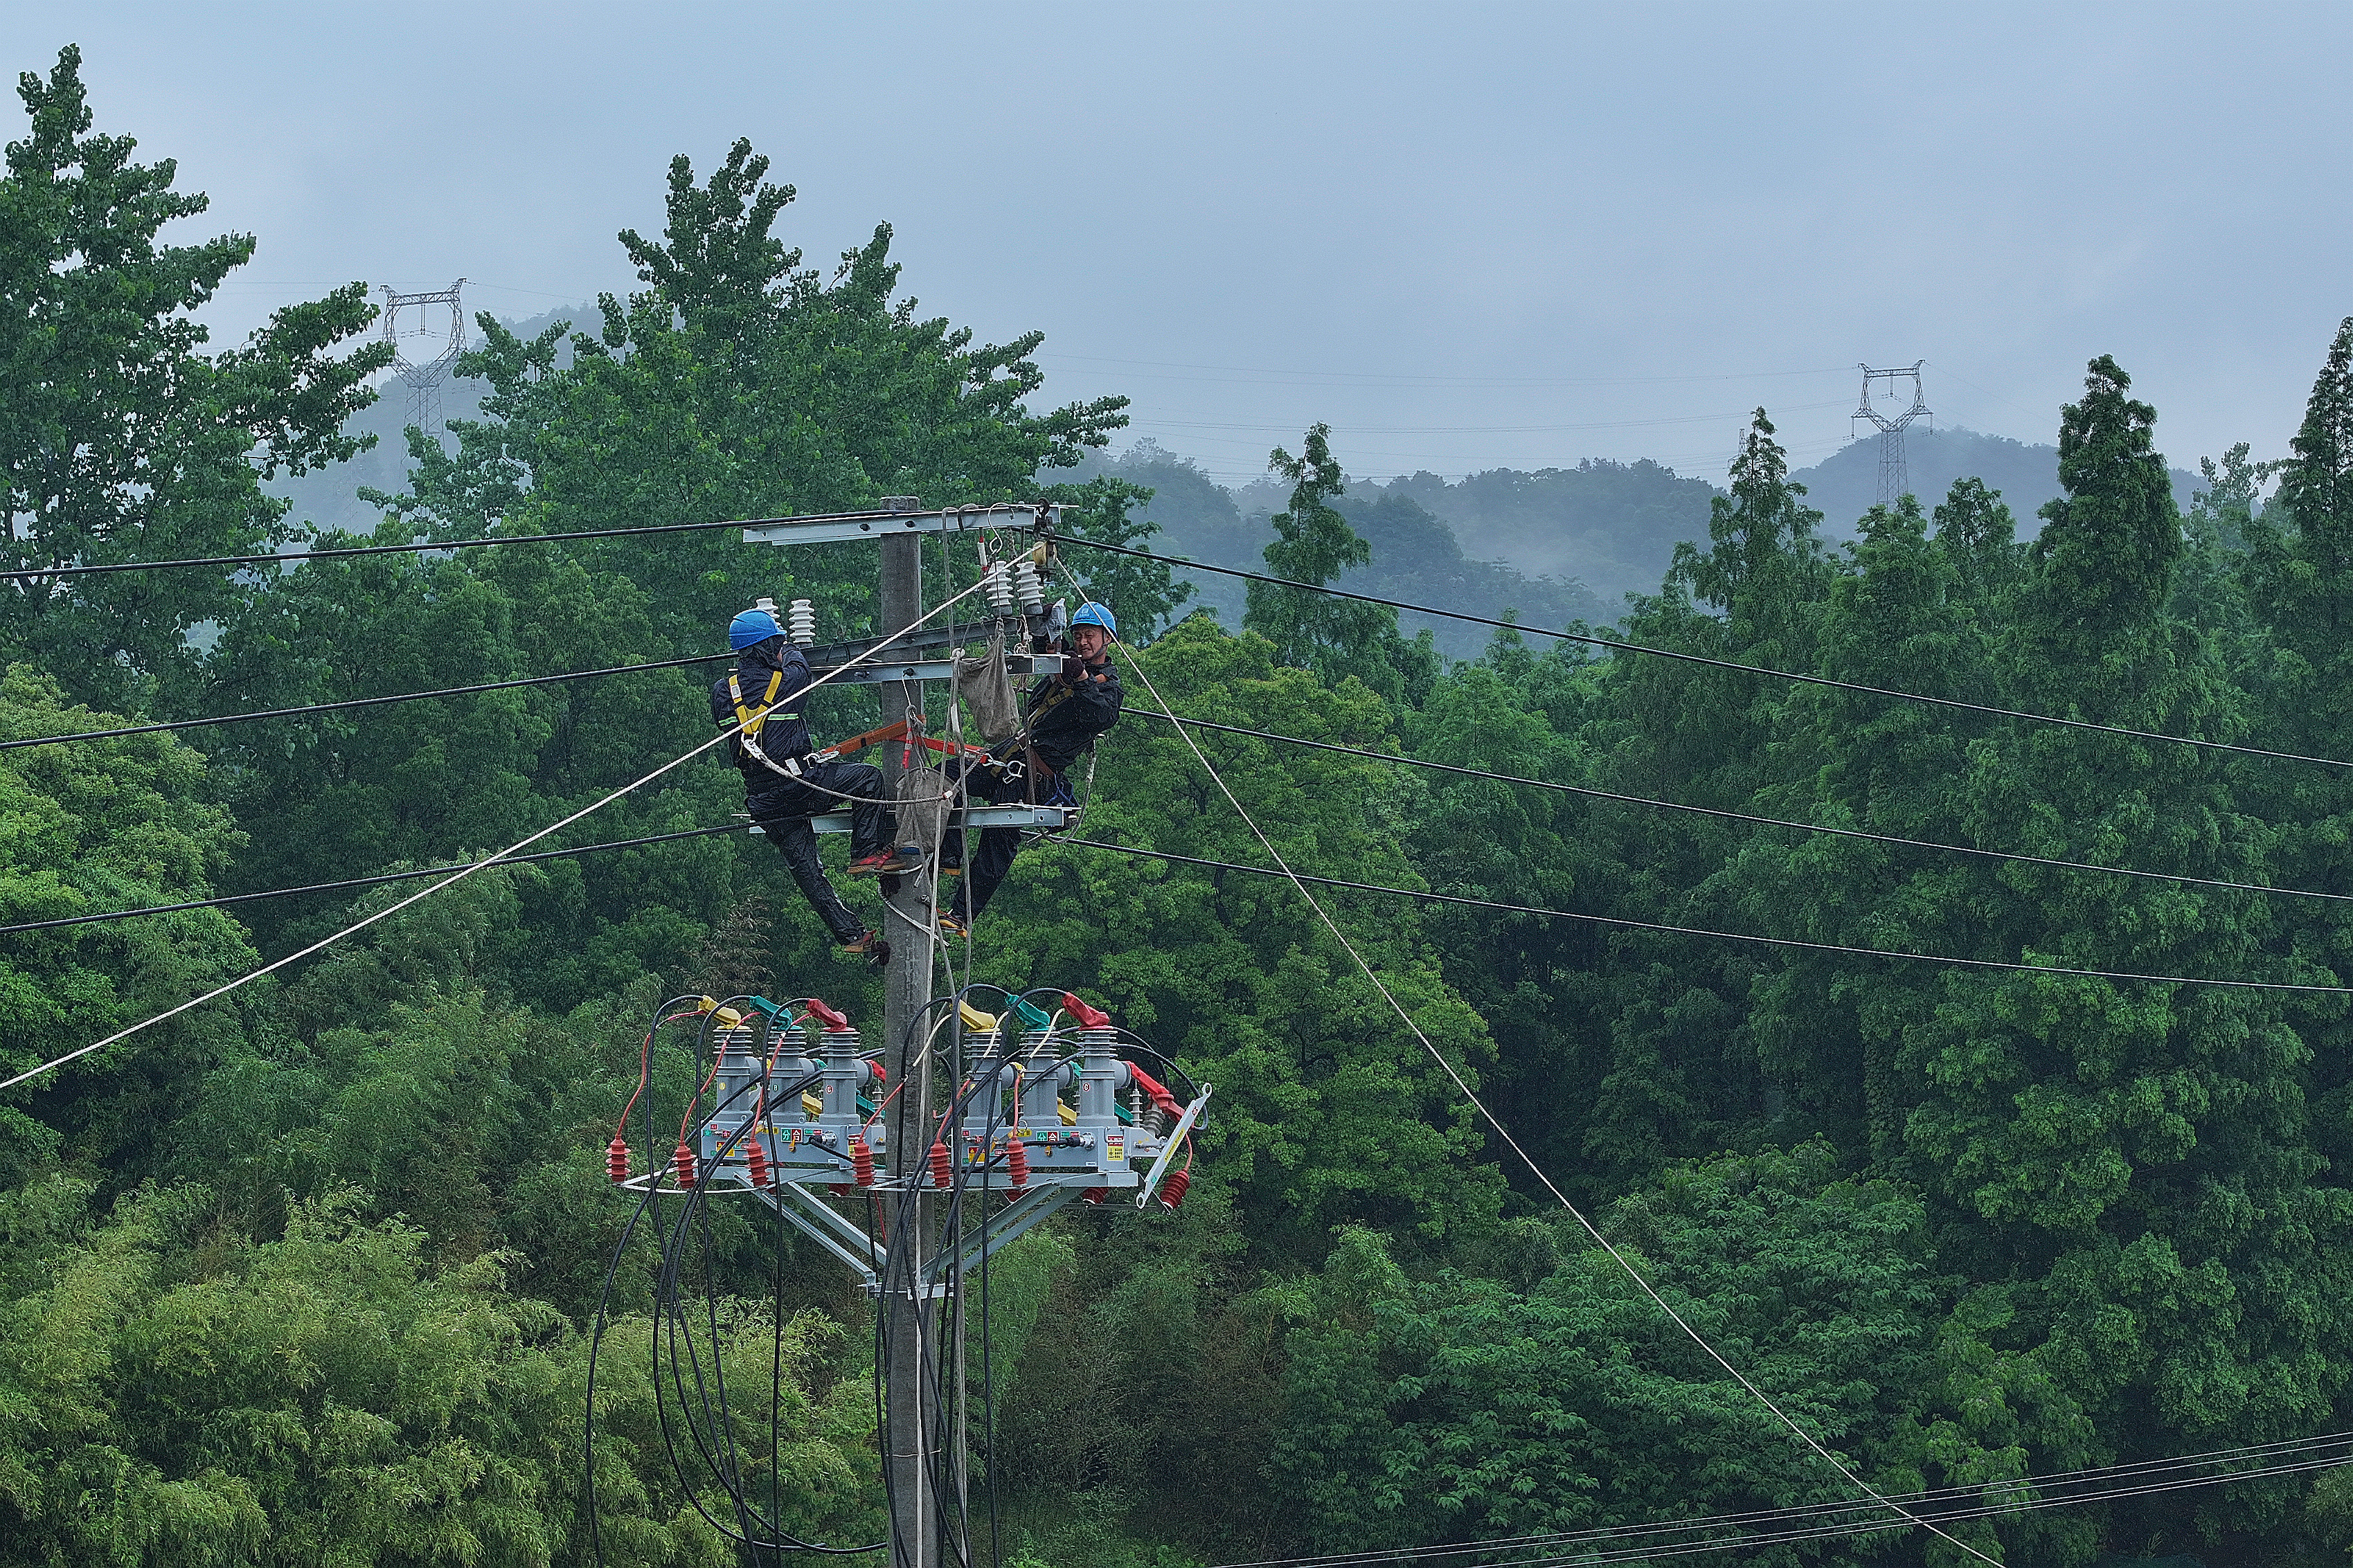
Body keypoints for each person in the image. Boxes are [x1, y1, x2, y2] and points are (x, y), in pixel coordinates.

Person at [713, 606, 922, 956]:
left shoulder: (722, 692)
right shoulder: (787, 680)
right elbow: (799, 666)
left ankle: (851, 935)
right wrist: (790, 646)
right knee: (868, 780)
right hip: (799, 784)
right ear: (768, 647)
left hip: (762, 799)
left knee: (808, 870)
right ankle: (866, 852)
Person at [939, 600, 1124, 936]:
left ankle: (961, 914)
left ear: (1107, 638)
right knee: (943, 777)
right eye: (1079, 634)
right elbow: (1046, 654)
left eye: (1090, 635)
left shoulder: (1105, 686)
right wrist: (1045, 633)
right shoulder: (1061, 668)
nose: (1083, 642)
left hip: (1030, 775)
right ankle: (950, 855)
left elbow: (1100, 717)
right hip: (1007, 756)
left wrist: (1081, 679)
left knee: (997, 843)